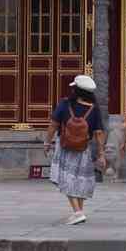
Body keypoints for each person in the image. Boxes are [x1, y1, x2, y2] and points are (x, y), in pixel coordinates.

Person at [45, 74, 107, 226]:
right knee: (80, 180)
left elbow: (53, 124)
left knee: (66, 179)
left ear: (77, 90)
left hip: (65, 146)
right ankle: (79, 211)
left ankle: (77, 212)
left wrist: (47, 142)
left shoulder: (65, 104)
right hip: (83, 148)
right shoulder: (94, 109)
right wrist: (101, 154)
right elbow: (99, 132)